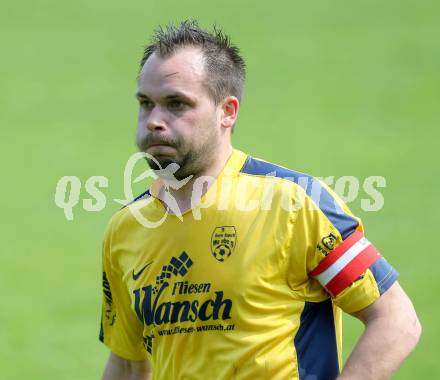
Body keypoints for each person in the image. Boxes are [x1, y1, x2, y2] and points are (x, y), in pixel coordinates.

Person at [99, 20, 421, 380]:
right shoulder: (127, 228)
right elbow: (128, 363)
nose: (155, 120)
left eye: (176, 104)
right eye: (146, 104)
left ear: (228, 111)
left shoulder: (293, 203)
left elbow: (396, 320)